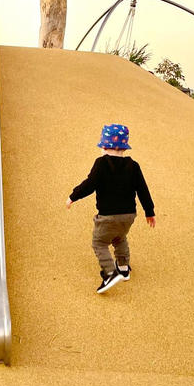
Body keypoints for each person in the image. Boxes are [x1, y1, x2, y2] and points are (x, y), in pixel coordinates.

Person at [66, 123, 155, 294]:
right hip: (129, 216)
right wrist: (149, 212)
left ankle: (109, 272)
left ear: (105, 146)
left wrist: (73, 196)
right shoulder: (134, 166)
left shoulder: (101, 164)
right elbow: (143, 190)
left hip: (107, 216)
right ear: (123, 147)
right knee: (120, 237)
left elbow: (89, 185)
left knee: (99, 242)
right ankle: (123, 268)